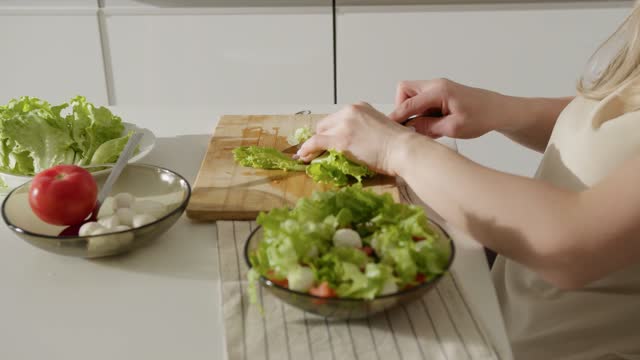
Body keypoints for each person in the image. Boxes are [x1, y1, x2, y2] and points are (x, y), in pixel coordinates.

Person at [296, 5, 640, 360]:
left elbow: (574, 245)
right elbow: (620, 127)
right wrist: (506, 111)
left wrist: (395, 149)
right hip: (499, 316)